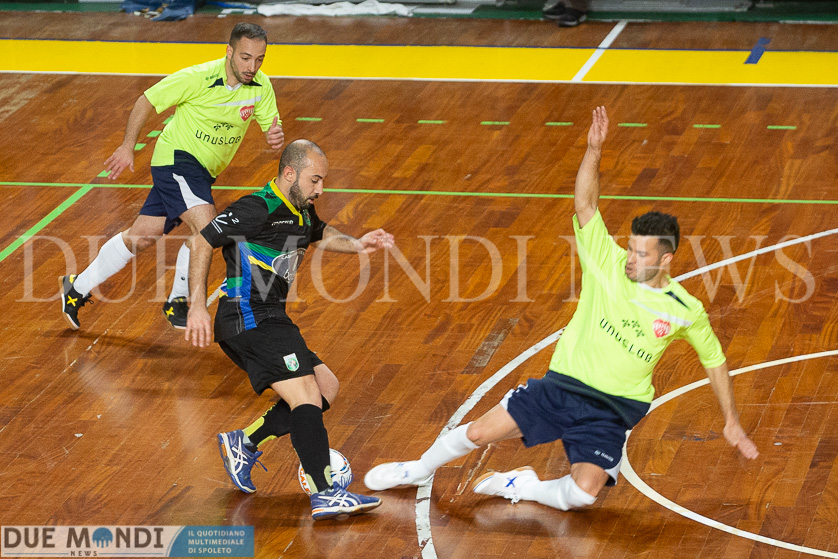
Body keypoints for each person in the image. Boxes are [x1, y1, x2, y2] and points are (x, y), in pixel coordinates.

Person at [364, 107, 759, 513]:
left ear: (666, 259)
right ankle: (418, 469)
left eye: (641, 255)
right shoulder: (606, 260)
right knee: (479, 433)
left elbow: (715, 361)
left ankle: (525, 485)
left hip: (612, 410)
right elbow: (586, 204)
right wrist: (594, 150)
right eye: (630, 248)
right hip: (562, 387)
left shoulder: (686, 309)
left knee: (582, 495)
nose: (630, 258)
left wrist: (731, 419)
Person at [186, 139, 394, 520]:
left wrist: (357, 244)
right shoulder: (257, 208)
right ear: (289, 173)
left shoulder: (301, 210)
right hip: (246, 315)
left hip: (271, 316)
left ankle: (244, 443)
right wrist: (197, 305)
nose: (321, 189)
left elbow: (320, 232)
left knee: (325, 386)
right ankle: (324, 492)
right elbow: (200, 242)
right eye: (315, 180)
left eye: (323, 181)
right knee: (306, 395)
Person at [60, 22, 285, 331]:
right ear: (229, 51)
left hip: (203, 173)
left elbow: (271, 124)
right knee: (207, 230)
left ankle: (76, 287)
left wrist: (274, 135)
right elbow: (146, 100)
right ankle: (179, 301)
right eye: (246, 58)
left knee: (141, 236)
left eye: (259, 59)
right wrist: (127, 146)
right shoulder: (198, 77)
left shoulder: (261, 85)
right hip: (177, 160)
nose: (252, 67)